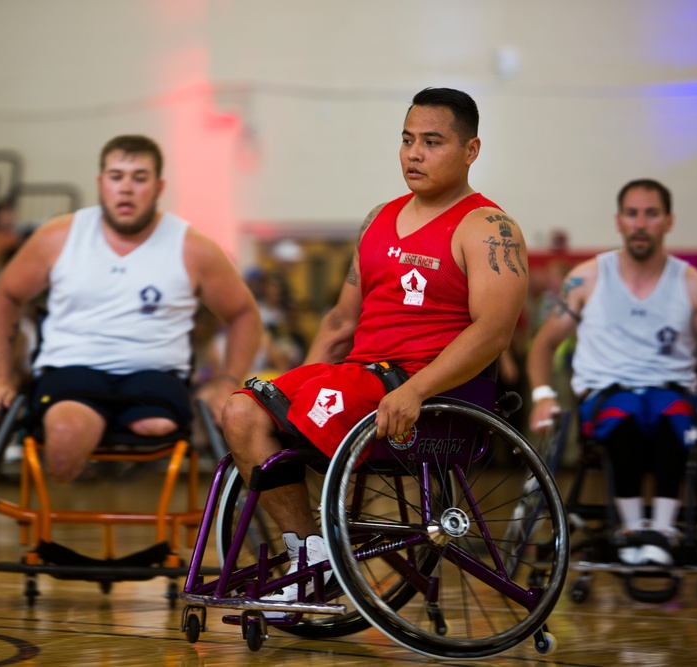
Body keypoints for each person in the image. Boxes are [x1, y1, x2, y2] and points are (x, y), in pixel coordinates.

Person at [221, 87, 529, 603]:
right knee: (242, 413)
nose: (414, 153)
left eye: (432, 142)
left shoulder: (488, 228)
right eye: (408, 139)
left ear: (471, 150)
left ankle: (315, 563)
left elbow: (493, 333)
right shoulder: (378, 219)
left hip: (427, 390)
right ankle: (310, 555)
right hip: (362, 376)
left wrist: (416, 391)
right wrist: (298, 391)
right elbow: (342, 320)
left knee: (266, 411)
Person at [0, 134, 262, 483]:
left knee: (157, 424)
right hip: (72, 368)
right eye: (117, 177)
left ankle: (109, 418)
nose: (126, 188)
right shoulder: (59, 236)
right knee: (66, 441)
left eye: (139, 178)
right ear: (101, 184)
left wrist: (227, 383)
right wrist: (0, 377)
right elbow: (5, 295)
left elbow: (243, 313)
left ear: (158, 187)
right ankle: (89, 421)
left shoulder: (192, 246)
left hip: (156, 373)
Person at [527, 179, 697, 566]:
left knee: (669, 411)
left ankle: (662, 530)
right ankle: (632, 529)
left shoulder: (694, 286)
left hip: (672, 395)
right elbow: (544, 343)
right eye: (632, 214)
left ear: (668, 221)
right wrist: (542, 395)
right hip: (604, 396)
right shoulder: (587, 278)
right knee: (626, 412)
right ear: (619, 221)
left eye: (651, 214)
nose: (640, 223)